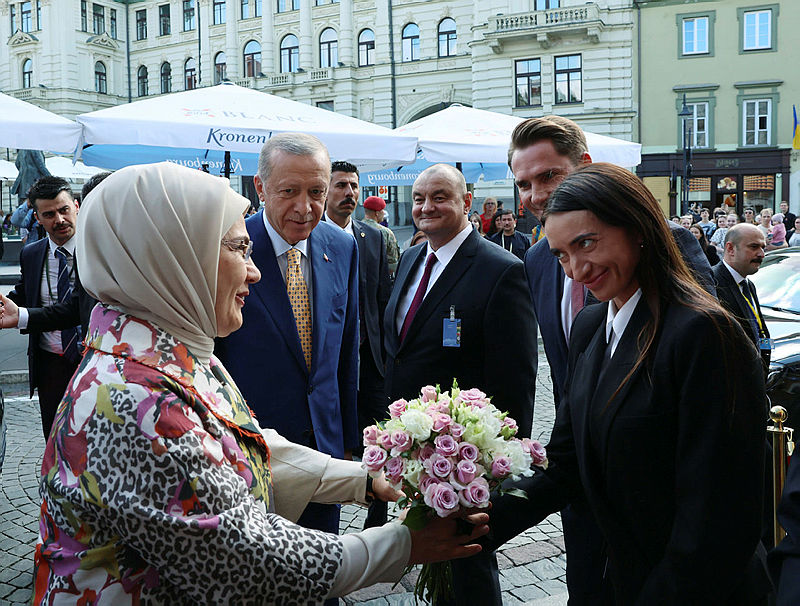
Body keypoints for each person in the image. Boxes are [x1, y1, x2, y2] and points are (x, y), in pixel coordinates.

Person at [30, 161, 490, 604]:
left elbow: (239, 447)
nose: (254, 270)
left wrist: (363, 477)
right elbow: (247, 564)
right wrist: (404, 544)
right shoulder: (135, 398)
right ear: (173, 257)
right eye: (237, 249)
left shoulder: (165, 348)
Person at [487, 163, 770, 604]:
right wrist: (472, 523)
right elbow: (565, 463)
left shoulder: (704, 334)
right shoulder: (590, 325)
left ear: (638, 229)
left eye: (586, 243)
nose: (576, 270)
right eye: (561, 254)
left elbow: (718, 519)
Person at [383, 163, 537, 604]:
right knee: (436, 554)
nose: (426, 207)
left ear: (466, 202)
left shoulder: (500, 269)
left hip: (464, 455)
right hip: (416, 447)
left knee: (469, 562)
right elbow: (401, 347)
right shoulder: (411, 258)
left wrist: (497, 464)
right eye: (418, 199)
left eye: (440, 197)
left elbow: (516, 377)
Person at [215, 133, 359, 541]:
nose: (305, 207)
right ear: (260, 188)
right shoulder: (229, 248)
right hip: (251, 452)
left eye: (316, 192)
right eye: (289, 191)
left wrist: (347, 439)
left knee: (325, 563)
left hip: (324, 449)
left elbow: (347, 350)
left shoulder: (342, 247)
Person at [5, 176, 83, 440]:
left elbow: (78, 308)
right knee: (55, 438)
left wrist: (20, 317)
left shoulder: (98, 250)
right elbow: (24, 294)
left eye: (64, 210)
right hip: (49, 364)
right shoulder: (31, 253)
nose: (59, 220)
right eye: (49, 214)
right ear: (37, 218)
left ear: (76, 206)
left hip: (92, 360)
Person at [712, 223, 771, 374]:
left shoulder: (748, 284)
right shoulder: (712, 284)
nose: (761, 254)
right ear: (730, 249)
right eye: (754, 247)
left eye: (763, 247)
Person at [362, 195, 401, 276]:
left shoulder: (355, 228)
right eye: (382, 210)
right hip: (379, 278)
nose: (384, 213)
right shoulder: (386, 232)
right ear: (377, 213)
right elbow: (393, 263)